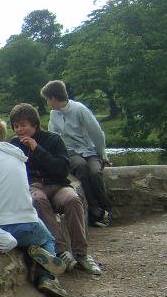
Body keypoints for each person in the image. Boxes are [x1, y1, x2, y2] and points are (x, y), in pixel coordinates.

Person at [0, 115, 68, 297]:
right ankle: (45, 277)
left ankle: (8, 242)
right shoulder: (17, 156)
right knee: (47, 240)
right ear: (2, 137)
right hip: (28, 222)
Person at [7, 103, 102, 276]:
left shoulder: (53, 140)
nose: (19, 129)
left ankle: (82, 254)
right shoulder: (14, 144)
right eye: (16, 126)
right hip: (34, 186)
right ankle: (61, 252)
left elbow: (62, 169)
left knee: (73, 199)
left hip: (58, 185)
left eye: (23, 125)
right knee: (37, 200)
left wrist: (37, 149)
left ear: (34, 125)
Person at [40, 80, 113, 227]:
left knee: (95, 172)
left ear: (54, 98)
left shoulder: (80, 110)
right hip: (71, 152)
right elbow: (54, 137)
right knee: (81, 168)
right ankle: (94, 211)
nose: (47, 103)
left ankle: (106, 209)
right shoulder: (54, 115)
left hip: (89, 150)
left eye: (47, 99)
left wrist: (102, 155)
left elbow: (97, 134)